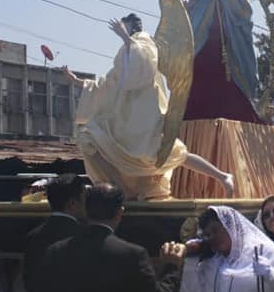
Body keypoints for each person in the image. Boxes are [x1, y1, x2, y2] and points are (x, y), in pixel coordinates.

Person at [62, 14, 234, 200]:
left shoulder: (144, 41)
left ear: (130, 26)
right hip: (124, 114)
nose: (122, 28)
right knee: (89, 138)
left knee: (165, 153)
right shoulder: (125, 49)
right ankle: (122, 192)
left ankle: (222, 176)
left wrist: (126, 38)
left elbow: (144, 64)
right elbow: (110, 82)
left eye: (124, 26)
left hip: (145, 111)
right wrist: (77, 81)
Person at [39, 183, 185, 292]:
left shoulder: (55, 251)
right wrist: (172, 267)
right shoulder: (132, 255)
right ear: (120, 213)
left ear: (86, 210)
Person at [175, 0, 261, 123]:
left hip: (221, 11)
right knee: (193, 53)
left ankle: (233, 104)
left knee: (222, 54)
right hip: (198, 11)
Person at [23, 174, 86, 292]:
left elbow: (29, 283)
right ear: (72, 203)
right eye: (83, 198)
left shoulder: (33, 236)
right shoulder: (84, 237)